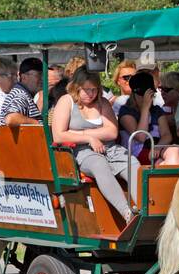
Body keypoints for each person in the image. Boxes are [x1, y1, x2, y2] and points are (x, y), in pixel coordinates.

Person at [51, 69, 137, 223]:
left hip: (111, 149)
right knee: (99, 164)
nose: (90, 94)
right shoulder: (66, 101)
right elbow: (59, 135)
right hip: (81, 151)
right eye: (86, 89)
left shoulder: (102, 103)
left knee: (132, 163)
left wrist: (80, 132)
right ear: (76, 87)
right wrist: (89, 138)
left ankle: (145, 210)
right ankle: (127, 213)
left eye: (94, 89)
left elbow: (112, 132)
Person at [117, 71, 179, 165]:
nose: (147, 98)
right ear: (134, 94)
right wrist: (145, 108)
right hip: (136, 153)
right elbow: (141, 136)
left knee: (174, 150)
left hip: (156, 148)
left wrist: (157, 147)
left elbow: (166, 135)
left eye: (151, 95)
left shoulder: (156, 110)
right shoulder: (126, 111)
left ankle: (170, 178)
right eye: (143, 95)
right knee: (160, 164)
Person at [2, 57, 43, 126]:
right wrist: (37, 123)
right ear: (24, 77)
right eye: (39, 75)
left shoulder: (22, 93)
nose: (43, 79)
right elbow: (10, 119)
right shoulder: (21, 95)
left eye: (44, 74)